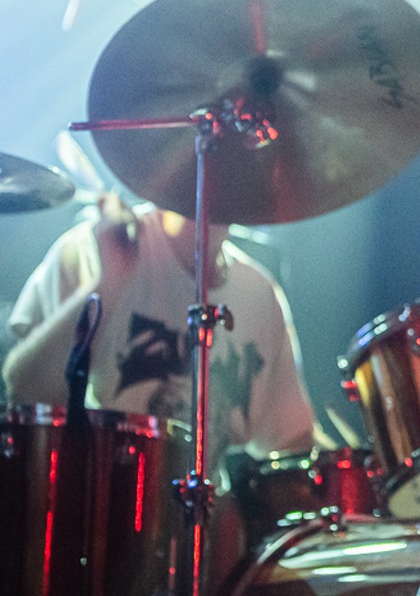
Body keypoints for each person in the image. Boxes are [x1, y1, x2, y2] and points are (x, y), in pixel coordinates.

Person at [3, 192, 319, 580]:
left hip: (201, 561)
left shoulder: (259, 293)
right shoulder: (93, 247)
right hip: (89, 545)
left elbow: (290, 446)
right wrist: (107, 281)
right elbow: (24, 387)